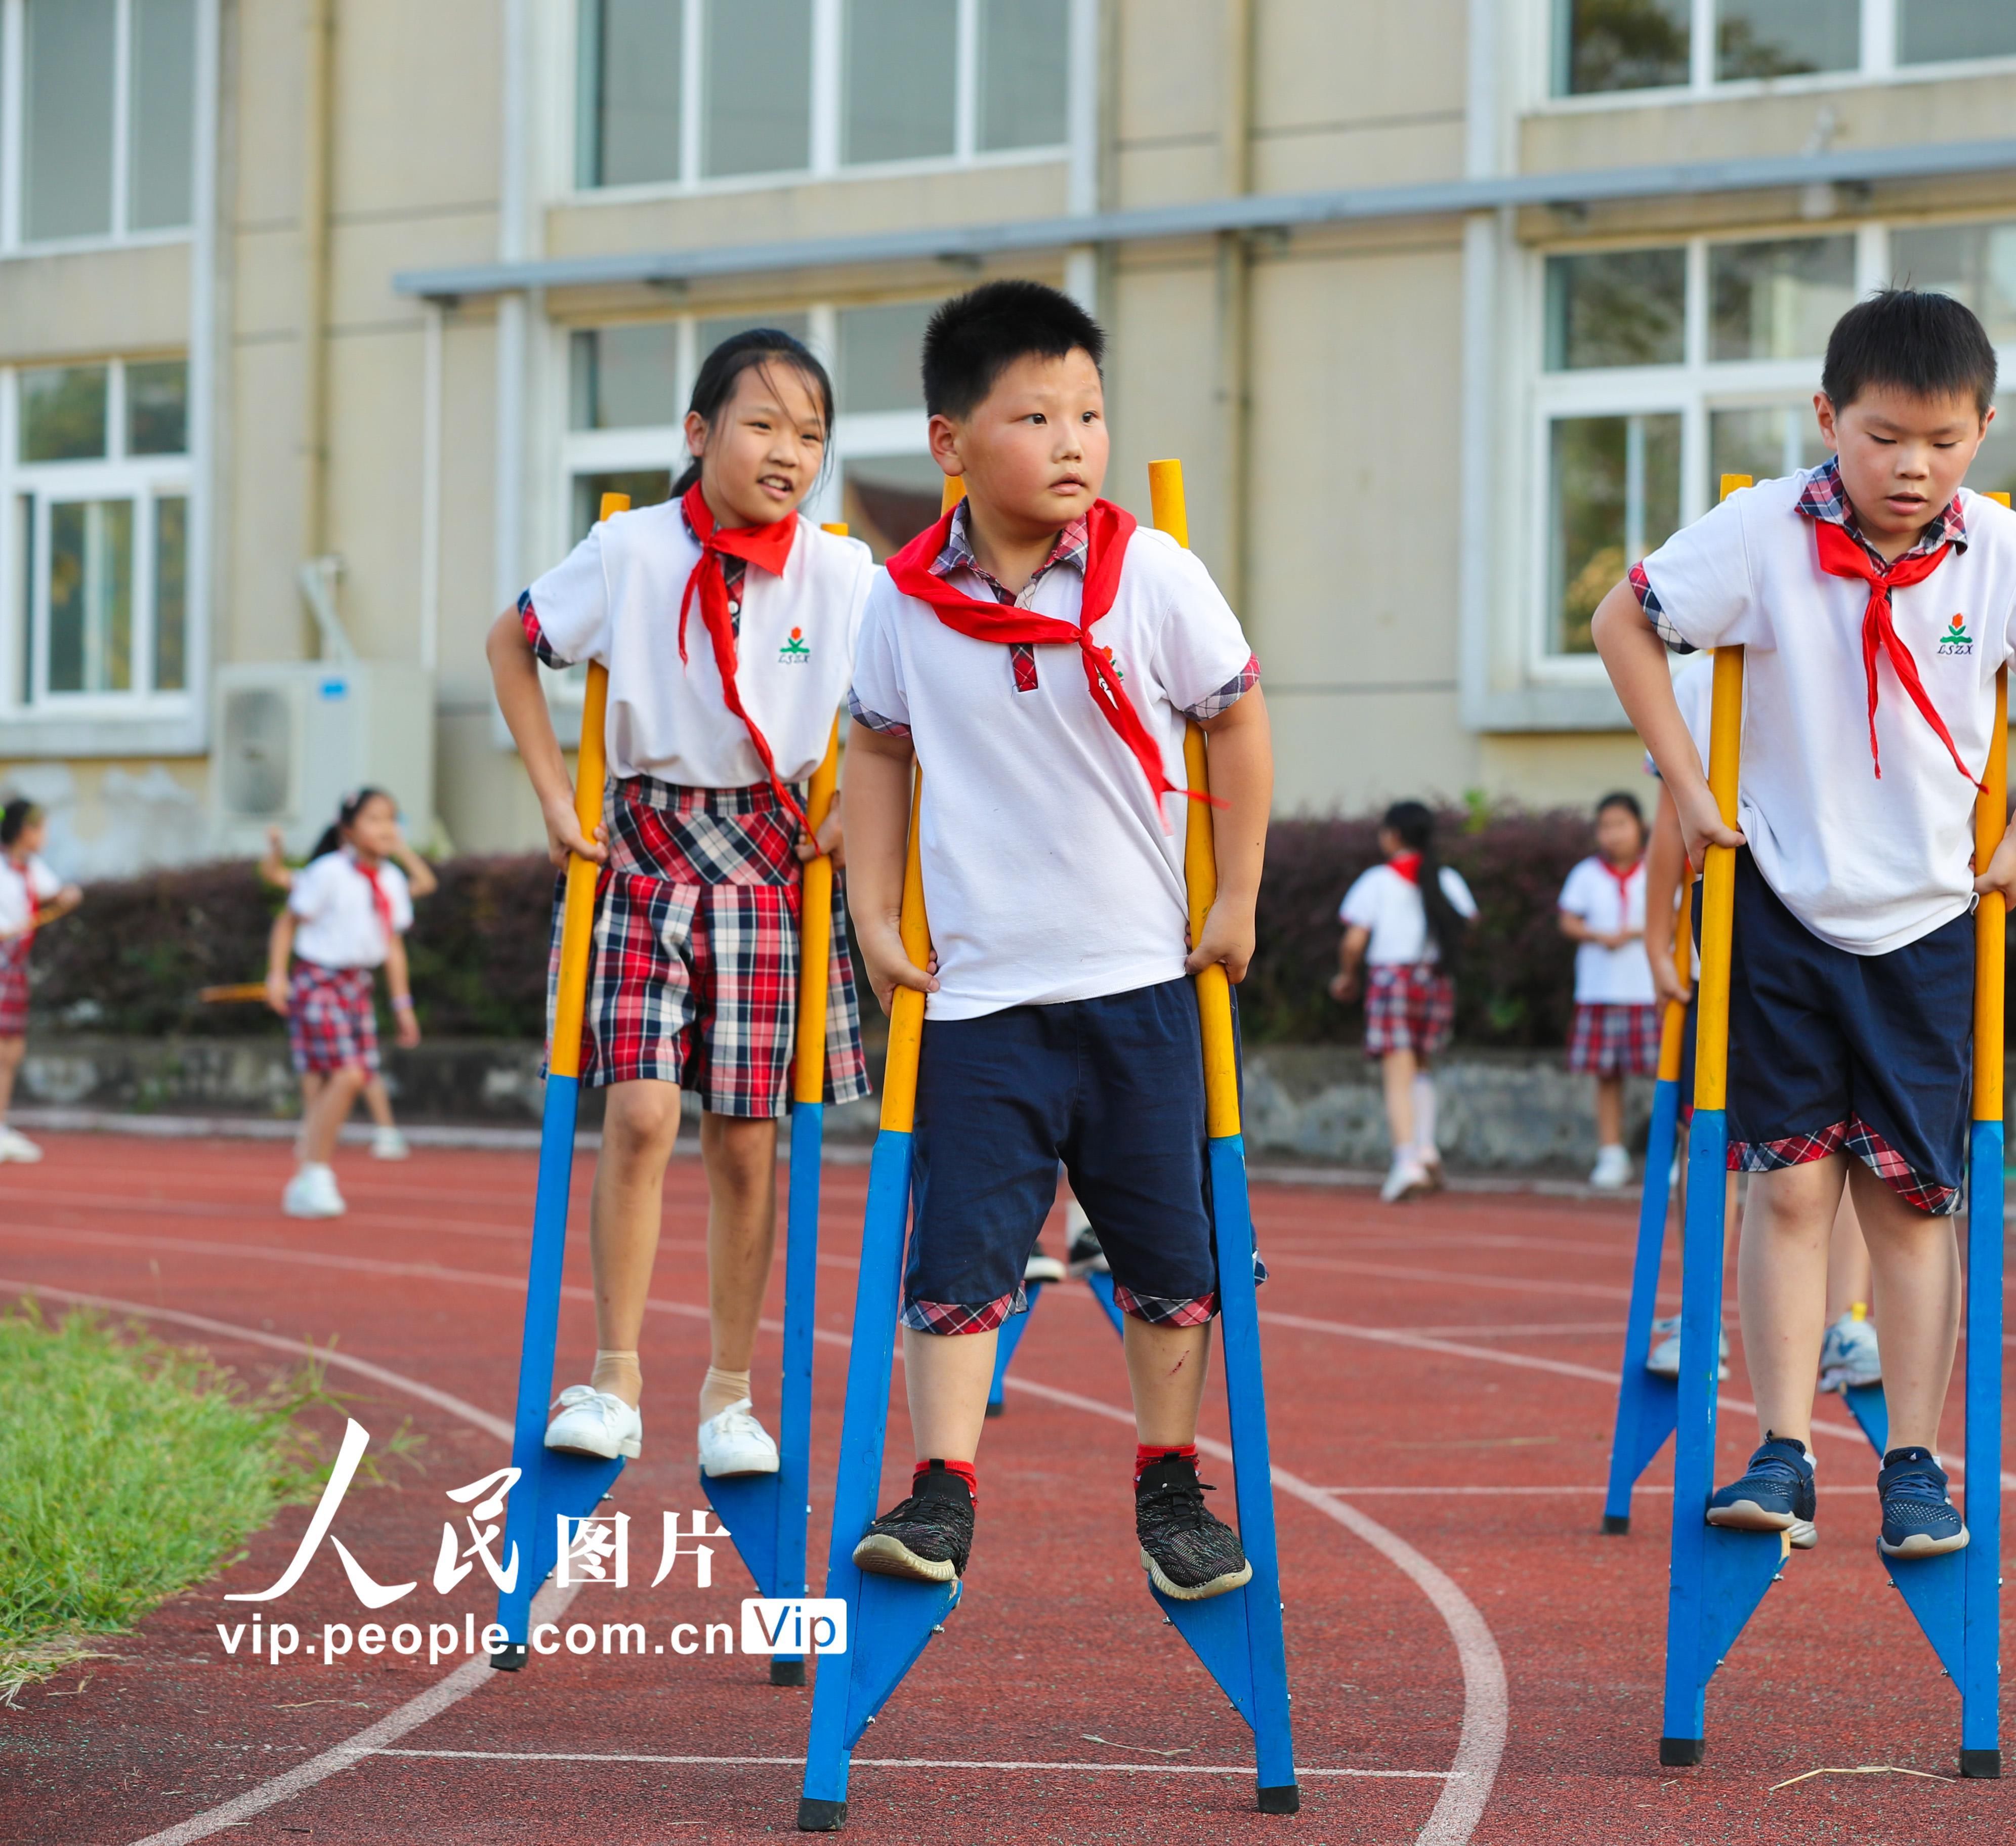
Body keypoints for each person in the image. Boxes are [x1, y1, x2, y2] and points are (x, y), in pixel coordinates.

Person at [1593, 287, 2016, 1558]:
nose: (1912, 467)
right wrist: (1684, 779)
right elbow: (1625, 619)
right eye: (1883, 436)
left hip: (1929, 920)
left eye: (1944, 442)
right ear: (1826, 417)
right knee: (1786, 1189)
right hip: (1781, 907)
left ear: (1983, 432)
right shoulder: (1758, 533)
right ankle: (1779, 1446)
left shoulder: (2001, 552)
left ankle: (1911, 1459)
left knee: (1909, 1203)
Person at [836, 280, 1272, 1605]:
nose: (1075, 439)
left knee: (1168, 1258)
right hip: (980, 998)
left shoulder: (1154, 575)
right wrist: (868, 911)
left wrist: (1237, 895)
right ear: (951, 444)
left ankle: (1168, 1481)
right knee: (961, 1256)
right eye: (1035, 415)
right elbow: (874, 743)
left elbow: (1238, 722)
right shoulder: (904, 604)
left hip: (1142, 988)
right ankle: (942, 1489)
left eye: (1088, 410)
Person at [486, 326, 874, 1481]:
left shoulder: (842, 572)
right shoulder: (629, 550)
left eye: (810, 435)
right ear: (699, 433)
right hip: (642, 850)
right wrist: (557, 797)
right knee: (645, 1114)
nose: (788, 453)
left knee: (748, 1142)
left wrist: (859, 812)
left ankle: (729, 1397)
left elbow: (912, 702)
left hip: (769, 854)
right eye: (762, 425)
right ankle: (612, 1376)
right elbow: (512, 641)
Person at [1639, 666, 1879, 1396]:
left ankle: (1848, 1319)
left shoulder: (1857, 637)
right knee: (1716, 1138)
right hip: (1747, 946)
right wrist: (1658, 940)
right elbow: (1669, 822)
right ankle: (1701, 1317)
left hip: (1864, 937)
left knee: (1856, 1147)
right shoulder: (1700, 673)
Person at [265, 789, 424, 1217]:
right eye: (374, 819)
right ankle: (315, 1172)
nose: (386, 828)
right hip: (318, 980)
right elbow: (287, 923)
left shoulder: (390, 879)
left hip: (357, 986)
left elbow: (392, 946)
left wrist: (402, 1004)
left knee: (333, 1080)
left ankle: (307, 1172)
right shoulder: (328, 872)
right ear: (349, 830)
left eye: (392, 818)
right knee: (346, 1075)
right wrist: (277, 976)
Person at [1332, 802, 1478, 1203]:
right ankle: (1427, 1149)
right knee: (1423, 1067)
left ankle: (1406, 1162)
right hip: (1434, 977)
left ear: (1393, 835)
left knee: (1397, 1074)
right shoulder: (1446, 879)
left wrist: (1347, 975)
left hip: (1391, 979)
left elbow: (1354, 940)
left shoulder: (1377, 880)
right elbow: (1468, 927)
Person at [1560, 791, 1659, 1190]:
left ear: (1640, 826)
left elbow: (1675, 914)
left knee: (1665, 1076)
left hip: (1648, 988)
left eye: (1621, 824)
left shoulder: (1656, 867)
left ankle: (1670, 1155)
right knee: (1606, 1076)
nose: (1613, 834)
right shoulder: (1586, 873)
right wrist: (1596, 935)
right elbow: (1568, 920)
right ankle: (1611, 1153)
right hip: (1600, 989)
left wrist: (1637, 932)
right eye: (1605, 826)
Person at [0, 798, 80, 1162]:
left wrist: (67, 897)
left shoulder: (30, 869)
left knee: (11, 1050)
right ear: (23, 831)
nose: (45, 836)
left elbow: (55, 893)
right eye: (40, 828)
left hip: (14, 968)